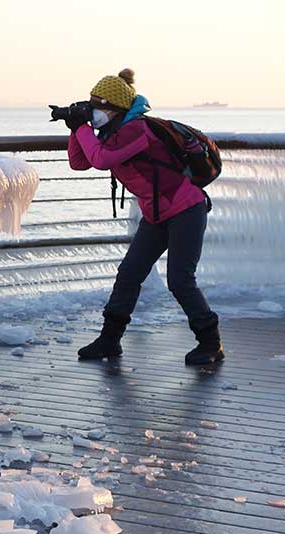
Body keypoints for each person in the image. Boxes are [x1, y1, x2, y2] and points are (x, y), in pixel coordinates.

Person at [65, 68, 224, 366]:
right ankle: (109, 341)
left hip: (185, 209)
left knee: (180, 279)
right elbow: (79, 163)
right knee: (129, 274)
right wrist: (77, 127)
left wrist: (83, 128)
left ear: (115, 109)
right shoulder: (111, 133)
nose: (95, 112)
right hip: (156, 214)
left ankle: (211, 342)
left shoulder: (136, 130)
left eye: (98, 107)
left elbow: (101, 160)